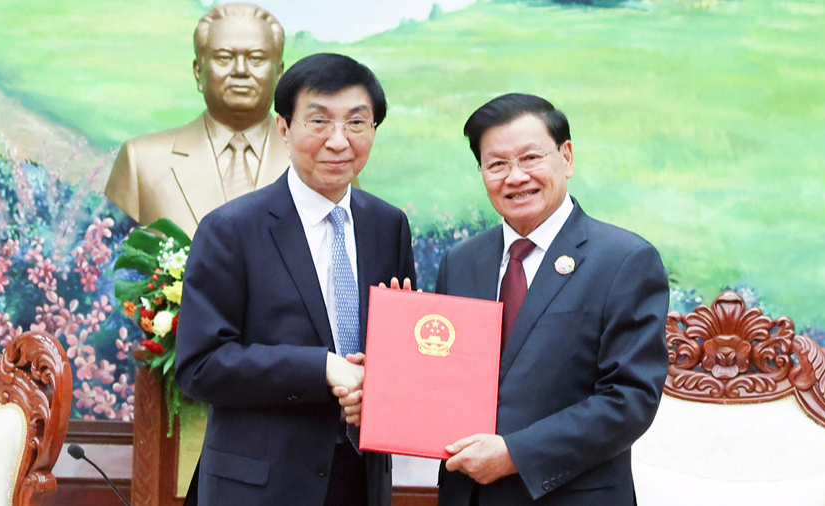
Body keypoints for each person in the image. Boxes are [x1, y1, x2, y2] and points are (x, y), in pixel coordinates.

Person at [175, 53, 416, 506]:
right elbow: (200, 366)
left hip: (360, 481)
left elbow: (396, 359)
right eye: (319, 121)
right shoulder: (230, 230)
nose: (339, 141)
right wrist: (321, 367)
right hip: (261, 486)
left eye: (357, 123)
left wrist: (387, 382)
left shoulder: (389, 226)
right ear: (284, 128)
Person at [435, 93, 669, 505]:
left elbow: (629, 399)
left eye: (530, 158)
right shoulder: (461, 261)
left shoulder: (624, 260)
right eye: (498, 164)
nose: (515, 176)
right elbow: (444, 377)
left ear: (567, 157)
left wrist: (515, 456)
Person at [105, 3, 289, 237]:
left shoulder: (323, 163)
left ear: (279, 73)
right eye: (224, 57)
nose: (241, 70)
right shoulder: (141, 161)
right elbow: (108, 261)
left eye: (256, 58)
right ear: (198, 71)